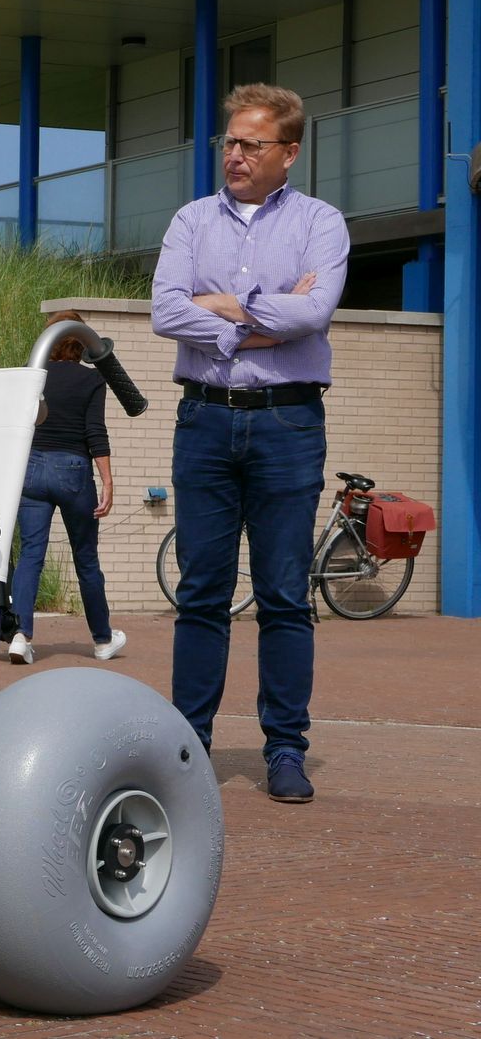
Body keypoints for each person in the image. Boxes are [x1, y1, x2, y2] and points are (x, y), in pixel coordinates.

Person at [151, 83, 348, 804]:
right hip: (204, 420)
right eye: (229, 142)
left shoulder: (321, 222)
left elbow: (315, 310)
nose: (234, 155)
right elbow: (164, 310)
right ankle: (187, 747)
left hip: (287, 423)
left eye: (250, 144)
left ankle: (286, 748)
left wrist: (221, 307)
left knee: (284, 595)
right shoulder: (191, 220)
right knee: (202, 591)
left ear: (287, 152)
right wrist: (259, 322)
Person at [6, 311, 126, 666]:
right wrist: (107, 480)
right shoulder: (92, 380)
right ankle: (103, 640)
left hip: (32, 468)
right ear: (82, 344)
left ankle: (21, 635)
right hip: (73, 470)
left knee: (31, 555)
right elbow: (95, 432)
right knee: (86, 559)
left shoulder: (32, 376)